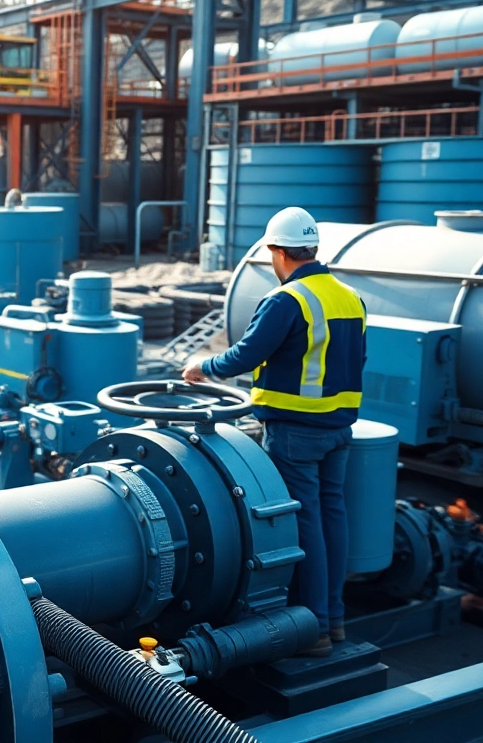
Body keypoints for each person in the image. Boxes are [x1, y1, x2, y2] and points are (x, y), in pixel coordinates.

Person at [182, 207, 365, 658]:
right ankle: (335, 619)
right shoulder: (350, 297)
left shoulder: (287, 300)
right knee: (332, 516)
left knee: (306, 522)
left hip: (295, 431)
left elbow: (246, 354)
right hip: (339, 428)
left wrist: (202, 367)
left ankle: (314, 628)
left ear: (278, 252)